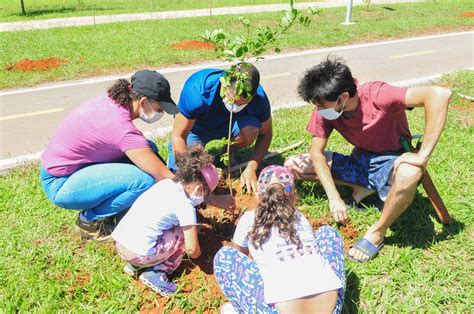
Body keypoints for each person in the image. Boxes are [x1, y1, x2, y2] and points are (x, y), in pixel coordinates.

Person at [284, 56, 451, 262]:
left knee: (410, 173)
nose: (318, 111)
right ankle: (368, 187)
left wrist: (423, 155)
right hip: (361, 161)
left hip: (392, 163)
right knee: (292, 165)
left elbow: (439, 94)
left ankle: (377, 232)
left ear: (342, 97)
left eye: (321, 106)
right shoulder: (326, 109)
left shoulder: (378, 95)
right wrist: (334, 197)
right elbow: (316, 153)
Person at [40, 70, 178, 242]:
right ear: (143, 102)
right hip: (60, 184)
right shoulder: (120, 127)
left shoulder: (114, 102)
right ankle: (89, 222)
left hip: (69, 168)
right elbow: (161, 175)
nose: (160, 113)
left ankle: (114, 209)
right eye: (159, 109)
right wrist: (189, 190)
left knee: (149, 148)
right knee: (143, 181)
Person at [213, 165, 345, 313]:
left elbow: (238, 254)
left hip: (279, 310)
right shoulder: (299, 217)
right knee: (328, 232)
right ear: (293, 196)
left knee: (225, 256)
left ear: (259, 194)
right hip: (333, 307)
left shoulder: (249, 219)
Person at [111, 145, 219, 296]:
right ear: (199, 189)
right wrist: (202, 252)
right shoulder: (185, 206)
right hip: (138, 253)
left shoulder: (166, 184)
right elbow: (192, 250)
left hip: (122, 244)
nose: (204, 198)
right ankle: (157, 273)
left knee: (164, 230)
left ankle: (134, 266)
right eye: (206, 194)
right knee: (181, 237)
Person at [169, 63, 273, 195]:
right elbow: (178, 136)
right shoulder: (198, 90)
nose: (234, 105)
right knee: (178, 175)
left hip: (230, 126)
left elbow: (266, 133)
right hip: (195, 129)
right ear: (224, 85)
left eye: (240, 103)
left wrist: (252, 167)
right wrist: (192, 173)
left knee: (251, 130)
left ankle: (225, 152)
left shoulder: (259, 97)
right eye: (231, 99)